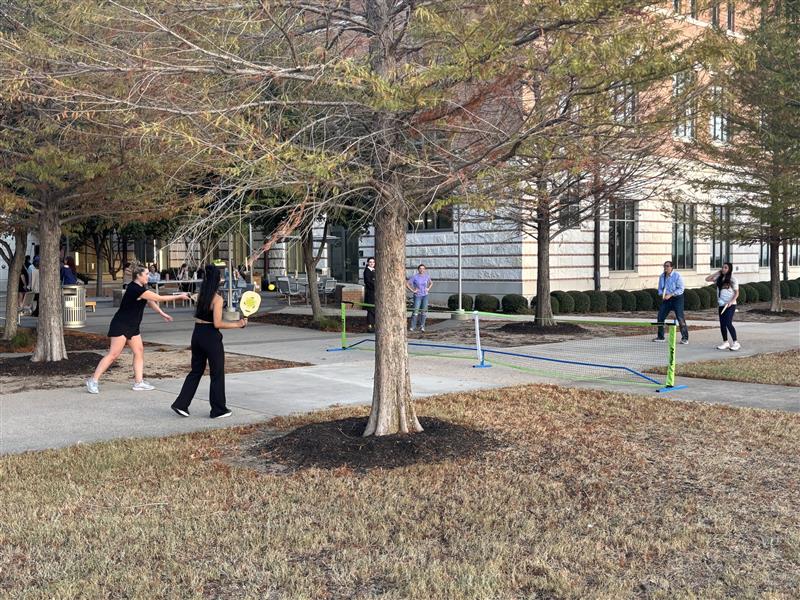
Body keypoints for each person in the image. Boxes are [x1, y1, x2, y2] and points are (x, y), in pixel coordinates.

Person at [86, 266, 190, 394]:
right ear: (138, 276)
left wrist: (161, 313)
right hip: (121, 325)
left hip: (133, 326)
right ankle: (93, 380)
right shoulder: (134, 289)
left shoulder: (141, 289)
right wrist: (180, 296)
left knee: (139, 351)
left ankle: (139, 382)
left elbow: (151, 301)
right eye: (146, 274)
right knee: (113, 355)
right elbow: (159, 298)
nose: (148, 276)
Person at [171, 265, 247, 419]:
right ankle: (218, 409)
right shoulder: (217, 299)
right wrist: (237, 324)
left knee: (196, 371)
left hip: (197, 334)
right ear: (217, 280)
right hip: (211, 337)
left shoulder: (200, 295)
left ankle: (181, 403)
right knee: (217, 373)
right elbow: (217, 323)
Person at [706, 262, 740, 351]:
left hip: (730, 304)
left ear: (729, 269)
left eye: (726, 268)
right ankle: (725, 342)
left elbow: (737, 293)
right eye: (723, 267)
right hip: (721, 304)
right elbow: (707, 279)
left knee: (728, 322)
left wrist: (731, 302)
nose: (723, 269)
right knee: (722, 324)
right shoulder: (719, 278)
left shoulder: (733, 279)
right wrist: (717, 272)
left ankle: (736, 342)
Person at [653, 260, 689, 345]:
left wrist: (671, 294)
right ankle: (661, 337)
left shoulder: (677, 276)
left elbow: (681, 289)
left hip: (677, 298)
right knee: (660, 317)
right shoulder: (662, 276)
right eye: (664, 266)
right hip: (666, 299)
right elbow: (660, 289)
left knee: (680, 318)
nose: (665, 268)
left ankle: (685, 338)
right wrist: (662, 294)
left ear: (672, 267)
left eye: (667, 266)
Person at [406, 264, 433, 333]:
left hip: (425, 296)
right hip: (417, 296)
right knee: (415, 311)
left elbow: (431, 283)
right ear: (418, 269)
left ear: (425, 270)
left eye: (423, 268)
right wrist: (413, 290)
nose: (422, 270)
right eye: (420, 268)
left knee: (423, 312)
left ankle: (422, 326)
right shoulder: (415, 277)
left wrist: (428, 288)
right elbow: (407, 284)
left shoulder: (427, 276)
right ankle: (412, 326)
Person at [363, 257, 376, 332]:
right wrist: (375, 287)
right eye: (370, 262)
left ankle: (374, 324)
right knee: (371, 309)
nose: (372, 263)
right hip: (370, 292)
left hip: (374, 292)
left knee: (374, 309)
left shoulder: (374, 270)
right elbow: (368, 282)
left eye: (373, 262)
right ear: (368, 263)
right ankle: (370, 326)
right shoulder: (367, 271)